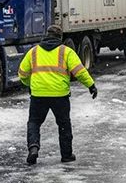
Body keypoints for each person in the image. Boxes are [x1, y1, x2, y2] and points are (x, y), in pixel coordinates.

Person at [19, 25, 97, 165]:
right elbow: (79, 71)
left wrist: (30, 84)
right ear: (60, 37)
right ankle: (66, 155)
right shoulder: (66, 52)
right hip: (60, 95)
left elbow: (22, 73)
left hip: (38, 95)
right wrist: (91, 85)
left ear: (46, 35)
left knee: (34, 122)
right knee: (64, 124)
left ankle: (33, 148)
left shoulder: (34, 52)